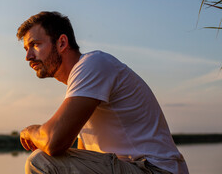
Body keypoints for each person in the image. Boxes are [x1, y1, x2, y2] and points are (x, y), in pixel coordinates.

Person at [16, 11, 189, 174]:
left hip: (154, 169)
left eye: (35, 45)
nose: (28, 56)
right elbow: (77, 155)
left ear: (61, 43)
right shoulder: (82, 86)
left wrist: (30, 131)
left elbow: (54, 141)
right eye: (26, 49)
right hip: (135, 167)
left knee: (40, 161)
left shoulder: (93, 64)